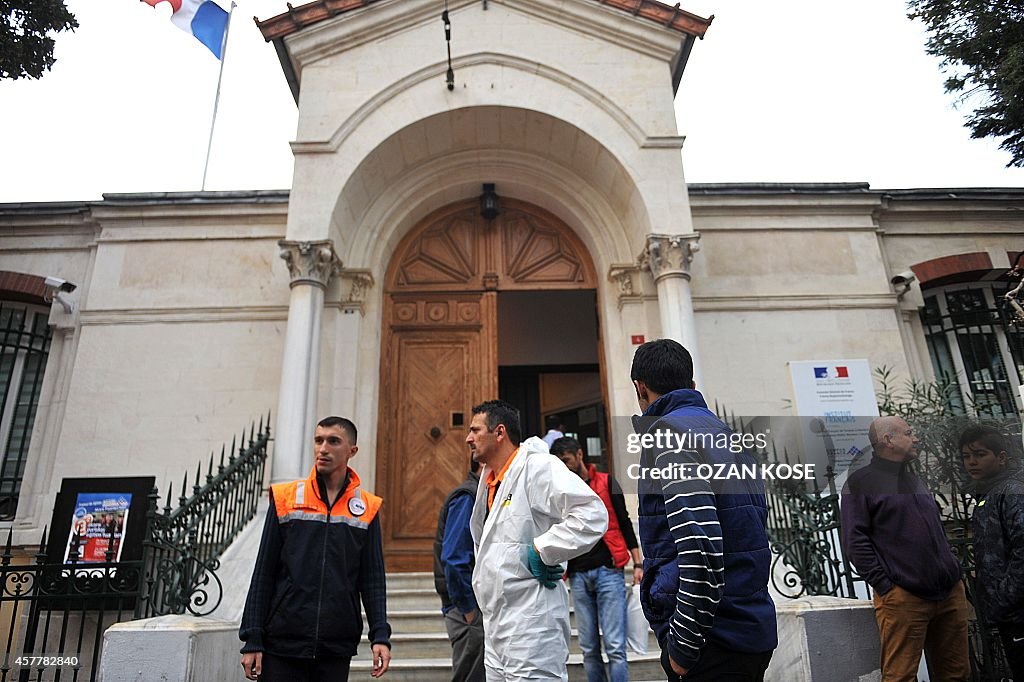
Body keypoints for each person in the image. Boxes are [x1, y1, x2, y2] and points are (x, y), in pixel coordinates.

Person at [630, 339, 776, 681]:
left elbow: (700, 544)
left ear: (640, 387)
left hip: (713, 640)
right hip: (747, 628)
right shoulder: (727, 436)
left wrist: (683, 644)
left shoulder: (669, 435)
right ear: (692, 386)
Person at [239, 416, 392, 681]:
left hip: (336, 647)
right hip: (282, 644)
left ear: (352, 451)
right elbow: (264, 572)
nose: (323, 448)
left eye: (333, 441)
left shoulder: (367, 507)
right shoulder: (285, 498)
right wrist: (252, 637)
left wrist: (380, 635)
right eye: (318, 440)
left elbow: (372, 580)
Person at [467, 399, 608, 681]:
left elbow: (592, 513)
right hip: (497, 625)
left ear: (500, 432)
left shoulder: (538, 466)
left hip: (531, 624)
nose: (468, 438)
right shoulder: (490, 479)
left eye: (475, 430)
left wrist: (543, 549)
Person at [841, 416, 968, 682]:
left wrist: (953, 570)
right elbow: (855, 542)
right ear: (888, 440)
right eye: (909, 433)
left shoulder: (912, 478)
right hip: (904, 597)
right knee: (900, 676)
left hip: (948, 592)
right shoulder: (860, 483)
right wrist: (887, 587)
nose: (916, 438)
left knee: (956, 674)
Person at [550, 436, 642, 682]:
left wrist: (638, 563)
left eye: (567, 460)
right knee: (589, 649)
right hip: (578, 575)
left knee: (615, 646)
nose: (565, 467)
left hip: (608, 571)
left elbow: (624, 523)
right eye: (559, 464)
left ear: (580, 454)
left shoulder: (606, 482)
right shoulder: (560, 491)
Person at [959, 424, 1024, 679]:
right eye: (966, 456)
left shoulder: (1012, 491)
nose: (972, 462)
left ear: (1001, 457)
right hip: (1010, 614)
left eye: (980, 454)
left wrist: (1003, 598)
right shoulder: (989, 494)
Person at [433, 461, 485, 682]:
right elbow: (454, 560)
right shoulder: (468, 496)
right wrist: (469, 611)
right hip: (467, 610)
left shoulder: (481, 496)